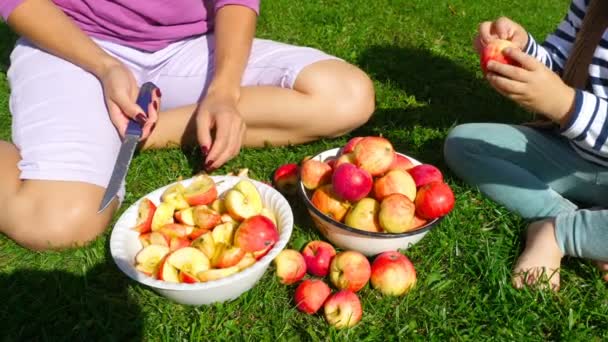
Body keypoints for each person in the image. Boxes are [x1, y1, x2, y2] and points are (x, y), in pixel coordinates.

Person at [0, 0, 375, 251]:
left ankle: (137, 133)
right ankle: (97, 131)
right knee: (58, 224)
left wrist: (224, 91)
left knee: (346, 97)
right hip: (73, 43)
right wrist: (104, 66)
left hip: (189, 46)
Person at [444, 0, 608, 291]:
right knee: (465, 144)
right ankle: (579, 223)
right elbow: (562, 61)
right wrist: (520, 52)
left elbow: (560, 97)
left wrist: (564, 104)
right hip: (572, 154)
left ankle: (560, 233)